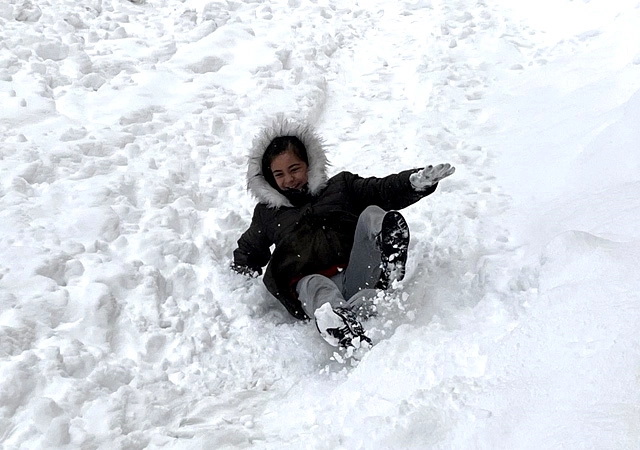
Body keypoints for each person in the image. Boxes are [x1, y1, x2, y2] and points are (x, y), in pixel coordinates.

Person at [231, 117, 455, 348]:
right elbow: (249, 248)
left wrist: (412, 183)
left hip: (355, 273)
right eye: (279, 174)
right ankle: (339, 321)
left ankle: (390, 255)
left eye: (294, 169)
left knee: (372, 214)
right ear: (270, 178)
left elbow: (381, 190)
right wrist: (240, 280)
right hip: (310, 287)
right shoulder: (268, 214)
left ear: (309, 163)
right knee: (317, 286)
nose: (289, 179)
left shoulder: (341, 187)